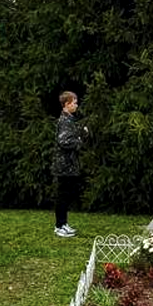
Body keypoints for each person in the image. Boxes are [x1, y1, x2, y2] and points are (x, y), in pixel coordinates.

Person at [51, 91, 85, 237]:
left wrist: (80, 136)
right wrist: (80, 138)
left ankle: (63, 223)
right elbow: (64, 141)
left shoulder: (70, 120)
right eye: (74, 102)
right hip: (64, 165)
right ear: (67, 104)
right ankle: (59, 226)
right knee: (62, 195)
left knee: (66, 194)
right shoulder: (64, 121)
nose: (76, 105)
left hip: (69, 164)